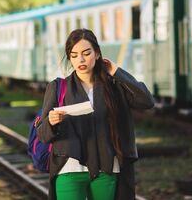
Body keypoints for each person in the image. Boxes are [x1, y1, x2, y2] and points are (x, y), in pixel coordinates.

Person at [36, 28, 155, 200]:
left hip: (106, 167)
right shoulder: (58, 87)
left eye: (86, 53)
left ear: (97, 54)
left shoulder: (113, 85)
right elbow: (42, 134)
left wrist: (117, 72)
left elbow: (146, 101)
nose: (81, 59)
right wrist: (52, 122)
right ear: (69, 57)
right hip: (69, 168)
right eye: (74, 55)